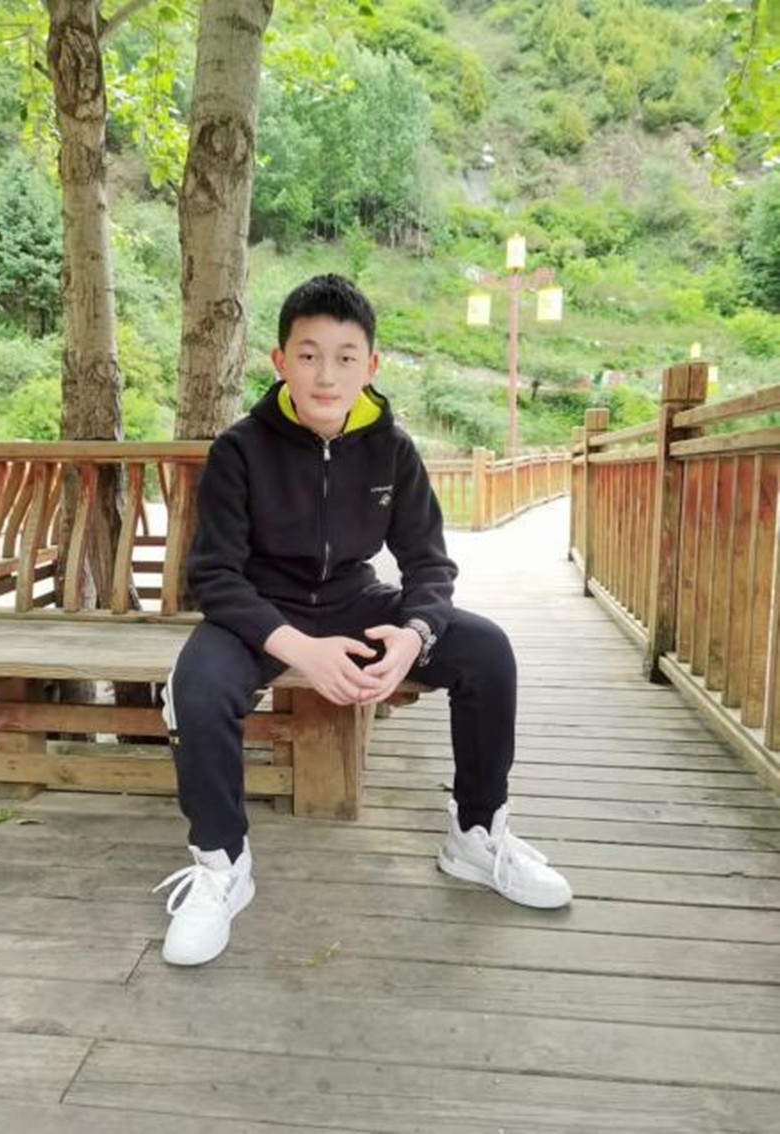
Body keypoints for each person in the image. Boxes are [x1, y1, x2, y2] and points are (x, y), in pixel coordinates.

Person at [154, 274, 572, 967]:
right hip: (263, 611)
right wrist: (300, 649)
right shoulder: (240, 450)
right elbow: (215, 577)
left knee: (487, 651)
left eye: (345, 357)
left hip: (355, 601)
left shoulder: (392, 450)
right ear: (280, 361)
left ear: (370, 365)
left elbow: (429, 565)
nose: (326, 375)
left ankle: (476, 836)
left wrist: (414, 635)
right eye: (308, 355)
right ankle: (222, 864)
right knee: (194, 686)